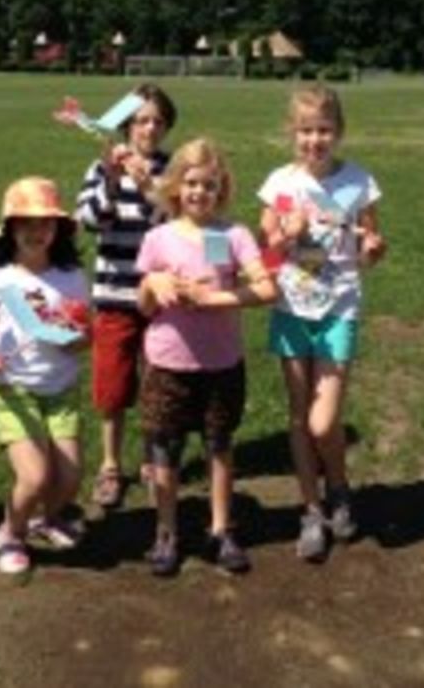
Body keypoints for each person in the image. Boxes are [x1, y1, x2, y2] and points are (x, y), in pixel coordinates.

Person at [135, 138, 276, 576]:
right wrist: (153, 285)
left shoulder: (232, 236)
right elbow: (143, 307)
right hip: (167, 363)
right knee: (165, 450)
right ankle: (166, 532)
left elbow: (266, 288)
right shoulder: (158, 238)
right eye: (192, 183)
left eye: (209, 185)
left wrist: (212, 298)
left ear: (222, 189)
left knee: (219, 445)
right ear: (176, 186)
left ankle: (221, 529)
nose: (199, 192)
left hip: (220, 363)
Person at [257, 85, 386, 562]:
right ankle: (312, 508)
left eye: (324, 130)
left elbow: (369, 245)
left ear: (339, 131)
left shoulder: (359, 182)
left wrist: (373, 249)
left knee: (323, 420)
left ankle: (339, 484)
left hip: (338, 309)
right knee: (299, 416)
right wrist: (284, 235)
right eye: (306, 130)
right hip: (292, 309)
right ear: (292, 132)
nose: (315, 140)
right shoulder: (279, 183)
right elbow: (266, 251)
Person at [0, 177, 92, 575]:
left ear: (59, 229)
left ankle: (48, 519)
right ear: (9, 228)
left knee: (69, 478)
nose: (36, 231)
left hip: (61, 387)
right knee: (35, 477)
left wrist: (68, 337)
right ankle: (11, 532)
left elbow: (83, 336)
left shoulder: (71, 277)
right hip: (12, 389)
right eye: (25, 222)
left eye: (45, 223)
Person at [75, 83, 177, 510]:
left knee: (158, 385)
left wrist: (150, 185)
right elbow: (88, 220)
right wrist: (114, 183)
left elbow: (177, 222)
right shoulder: (102, 168)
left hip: (159, 299)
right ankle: (111, 465)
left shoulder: (174, 168)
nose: (149, 129)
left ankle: (154, 461)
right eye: (140, 121)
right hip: (113, 295)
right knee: (112, 386)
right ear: (125, 126)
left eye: (157, 121)